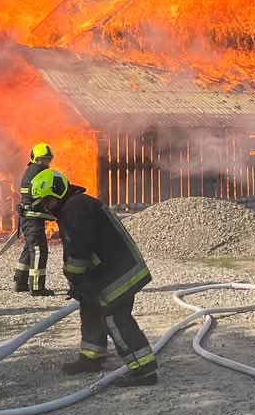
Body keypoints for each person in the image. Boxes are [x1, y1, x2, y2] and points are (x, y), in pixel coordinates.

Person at [29, 168, 158, 387]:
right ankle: (91, 357)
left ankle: (144, 370)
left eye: (47, 202)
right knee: (91, 309)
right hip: (107, 270)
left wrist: (73, 276)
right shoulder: (74, 206)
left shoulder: (75, 208)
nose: (47, 208)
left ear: (58, 191)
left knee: (115, 318)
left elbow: (79, 251)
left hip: (117, 272)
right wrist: (81, 285)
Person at [13, 142, 57, 296]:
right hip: (32, 218)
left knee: (30, 248)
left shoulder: (33, 170)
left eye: (47, 160)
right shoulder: (38, 173)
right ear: (34, 158)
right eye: (42, 159)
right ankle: (37, 287)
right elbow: (41, 194)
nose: (45, 163)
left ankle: (20, 283)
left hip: (29, 217)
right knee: (39, 250)